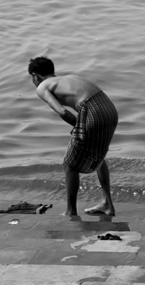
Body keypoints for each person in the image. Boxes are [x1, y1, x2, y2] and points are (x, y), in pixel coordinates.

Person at [28, 56, 118, 221]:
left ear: (35, 76)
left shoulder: (42, 86)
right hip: (109, 108)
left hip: (92, 110)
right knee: (99, 155)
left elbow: (62, 112)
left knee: (69, 163)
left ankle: (71, 211)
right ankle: (107, 204)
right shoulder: (69, 78)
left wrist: (80, 128)